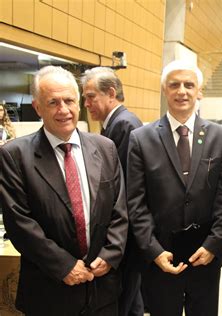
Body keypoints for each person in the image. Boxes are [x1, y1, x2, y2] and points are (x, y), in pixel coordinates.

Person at [0, 65, 128, 315]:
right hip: (49, 291)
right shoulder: (15, 155)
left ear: (78, 102)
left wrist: (111, 253)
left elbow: (119, 208)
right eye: (53, 102)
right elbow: (20, 224)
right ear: (38, 107)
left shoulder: (105, 148)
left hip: (102, 290)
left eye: (69, 100)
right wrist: (64, 266)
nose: (63, 110)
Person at [127, 60, 222, 316]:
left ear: (199, 91)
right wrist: (153, 250)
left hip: (204, 256)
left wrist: (213, 245)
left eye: (189, 85)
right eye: (174, 85)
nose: (182, 91)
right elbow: (135, 202)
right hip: (161, 257)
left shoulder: (220, 137)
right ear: (164, 90)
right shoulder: (141, 139)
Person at [81, 66, 144, 316]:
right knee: (131, 300)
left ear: (110, 93)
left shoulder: (124, 125)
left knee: (124, 299)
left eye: (90, 96)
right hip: (124, 235)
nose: (86, 103)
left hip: (124, 235)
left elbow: (121, 187)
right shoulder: (115, 123)